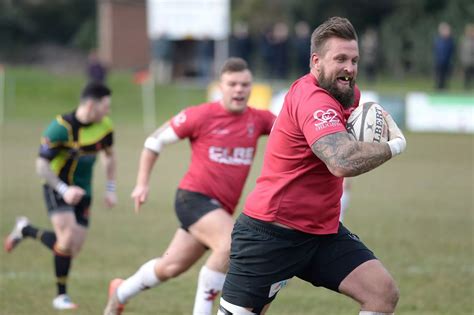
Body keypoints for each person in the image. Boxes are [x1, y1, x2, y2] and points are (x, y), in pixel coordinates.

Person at [217, 17, 407, 315]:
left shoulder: (349, 95)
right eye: (340, 59)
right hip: (270, 235)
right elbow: (341, 160)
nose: (350, 68)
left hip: (321, 234)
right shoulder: (312, 100)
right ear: (315, 62)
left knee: (382, 293)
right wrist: (393, 146)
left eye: (354, 60)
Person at [104, 57, 275, 315]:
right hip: (192, 199)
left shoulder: (259, 119)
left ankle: (119, 293)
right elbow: (154, 142)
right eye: (233, 84)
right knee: (231, 243)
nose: (239, 89)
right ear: (221, 86)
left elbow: (294, 130)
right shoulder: (201, 115)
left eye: (245, 84)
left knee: (170, 267)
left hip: (219, 210)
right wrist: (141, 184)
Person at [3, 82, 117, 310]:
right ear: (91, 104)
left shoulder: (105, 126)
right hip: (56, 186)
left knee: (73, 248)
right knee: (65, 238)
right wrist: (64, 190)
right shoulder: (60, 128)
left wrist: (110, 189)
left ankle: (25, 229)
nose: (108, 111)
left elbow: (110, 156)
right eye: (105, 106)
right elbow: (41, 166)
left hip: (85, 191)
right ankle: (61, 296)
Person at [433, 22, 455, 90]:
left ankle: (444, 88)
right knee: (438, 76)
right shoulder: (438, 40)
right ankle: (438, 88)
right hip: (439, 61)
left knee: (446, 76)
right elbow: (435, 50)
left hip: (447, 61)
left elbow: (452, 51)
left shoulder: (450, 41)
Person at [460, 23, 474, 90]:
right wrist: (462, 59)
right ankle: (466, 88)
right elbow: (461, 50)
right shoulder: (464, 40)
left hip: (472, 61)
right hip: (466, 61)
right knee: (466, 76)